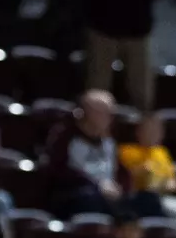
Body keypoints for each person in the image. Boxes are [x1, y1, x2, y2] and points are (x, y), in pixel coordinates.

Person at [43, 89, 144, 218]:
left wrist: (122, 188)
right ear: (85, 113)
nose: (109, 118)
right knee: (90, 199)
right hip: (76, 194)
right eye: (102, 113)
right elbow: (58, 171)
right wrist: (97, 186)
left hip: (109, 194)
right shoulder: (65, 137)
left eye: (110, 113)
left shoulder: (109, 141)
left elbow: (120, 172)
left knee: (145, 201)